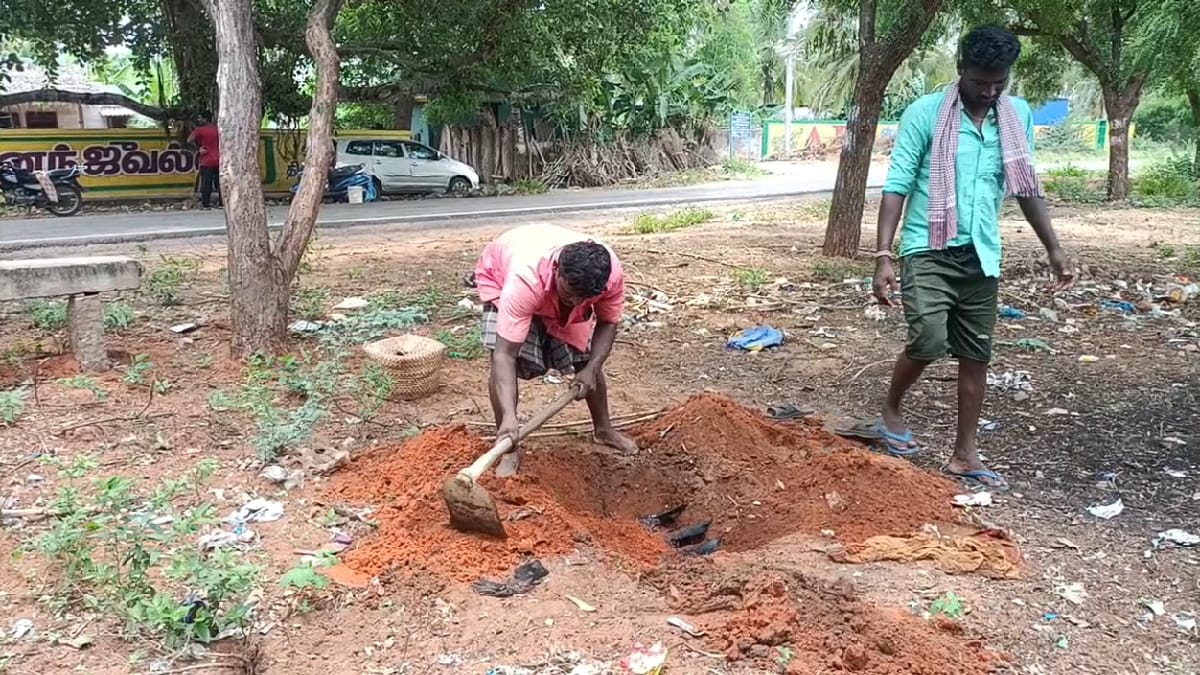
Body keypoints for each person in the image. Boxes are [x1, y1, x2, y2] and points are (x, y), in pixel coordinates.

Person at [871, 25, 1074, 489]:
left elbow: (1025, 185)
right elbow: (898, 183)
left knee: (976, 354)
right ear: (961, 69)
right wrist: (884, 254)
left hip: (982, 253)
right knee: (927, 338)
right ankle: (891, 408)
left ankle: (965, 454)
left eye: (998, 81)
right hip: (928, 246)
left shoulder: (1015, 115)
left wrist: (1054, 248)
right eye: (981, 81)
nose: (989, 91)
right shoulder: (924, 113)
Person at [473, 223, 638, 477]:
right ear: (557, 270)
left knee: (586, 360)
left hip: (548, 285)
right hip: (503, 273)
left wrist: (593, 368)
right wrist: (509, 415)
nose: (576, 303)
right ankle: (508, 444)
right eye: (571, 294)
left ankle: (603, 430)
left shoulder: (609, 275)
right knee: (504, 358)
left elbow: (607, 322)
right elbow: (504, 355)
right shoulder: (524, 281)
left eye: (584, 298)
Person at [187, 111, 221, 208]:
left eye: (200, 118)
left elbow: (189, 140)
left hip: (206, 161)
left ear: (205, 119)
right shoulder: (218, 129)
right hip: (219, 160)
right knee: (220, 184)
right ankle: (222, 203)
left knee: (206, 184)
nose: (199, 120)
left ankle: (206, 204)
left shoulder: (199, 130)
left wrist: (198, 149)